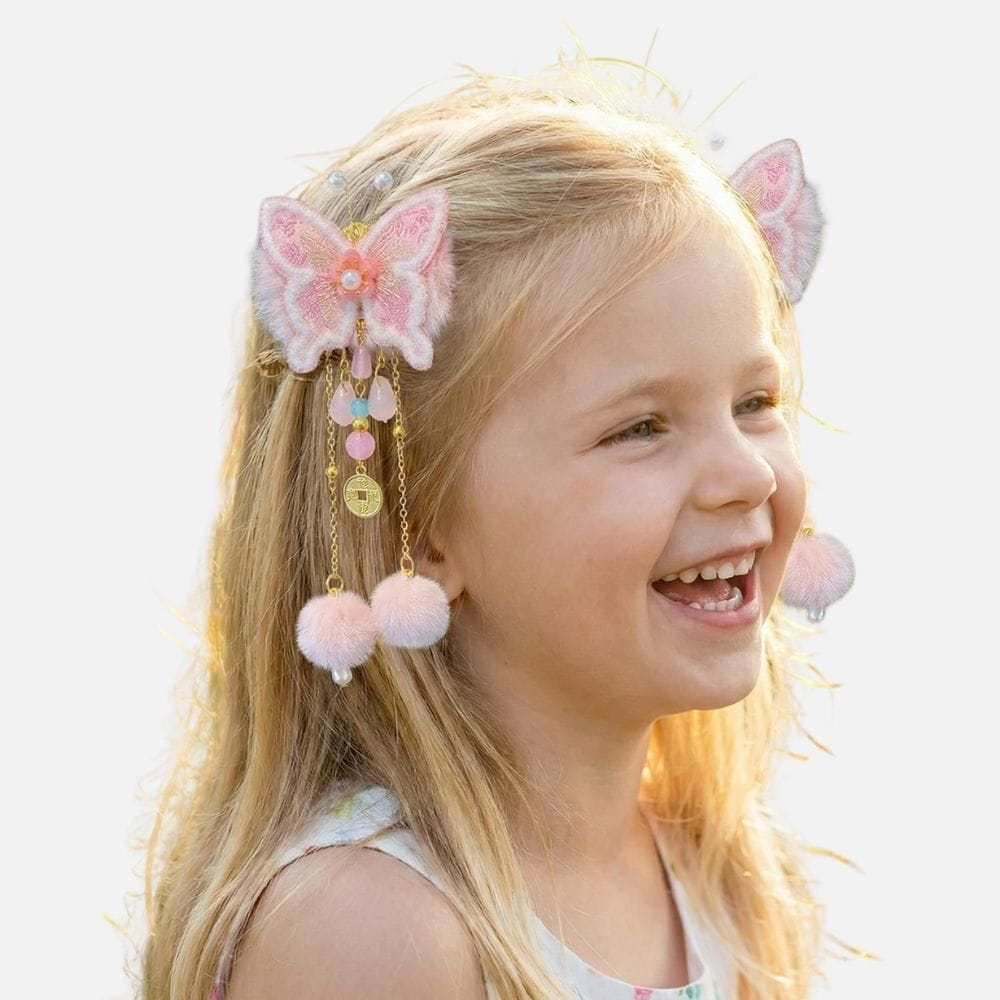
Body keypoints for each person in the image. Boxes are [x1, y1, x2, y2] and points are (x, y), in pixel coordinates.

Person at [137, 56, 855, 1000]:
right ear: (424, 524)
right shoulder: (370, 931)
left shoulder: (719, 873)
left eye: (755, 400)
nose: (748, 472)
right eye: (640, 426)